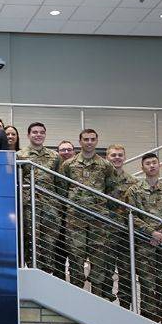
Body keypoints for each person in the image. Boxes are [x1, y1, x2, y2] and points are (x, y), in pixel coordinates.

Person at [125, 153, 162, 324]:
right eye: (147, 163)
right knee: (147, 284)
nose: (151, 166)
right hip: (144, 244)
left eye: (154, 163)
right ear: (142, 168)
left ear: (159, 165)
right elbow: (131, 215)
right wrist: (152, 233)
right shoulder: (134, 190)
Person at [60, 129, 117, 300]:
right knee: (76, 256)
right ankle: (77, 299)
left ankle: (98, 299)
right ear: (80, 141)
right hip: (75, 218)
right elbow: (63, 189)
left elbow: (111, 191)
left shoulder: (106, 165)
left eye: (92, 139)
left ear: (97, 141)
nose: (89, 142)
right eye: (86, 139)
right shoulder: (69, 164)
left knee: (98, 258)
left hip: (98, 219)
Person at [16, 122, 61, 275]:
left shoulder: (55, 156)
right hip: (29, 204)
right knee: (30, 240)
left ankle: (47, 274)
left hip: (50, 205)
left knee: (49, 241)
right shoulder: (20, 155)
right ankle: (34, 272)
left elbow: (59, 182)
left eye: (41, 132)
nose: (38, 135)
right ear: (28, 135)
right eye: (34, 132)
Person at [104, 144, 139, 307]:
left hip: (126, 232)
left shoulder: (133, 183)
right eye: (113, 155)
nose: (117, 158)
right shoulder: (101, 178)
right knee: (104, 269)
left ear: (124, 158)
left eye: (120, 155)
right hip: (104, 231)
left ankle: (126, 306)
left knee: (126, 272)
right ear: (107, 157)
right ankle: (105, 303)